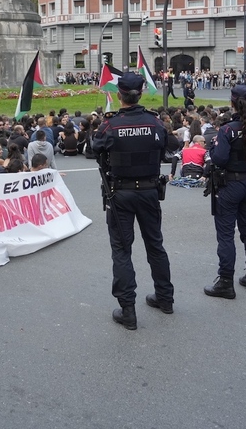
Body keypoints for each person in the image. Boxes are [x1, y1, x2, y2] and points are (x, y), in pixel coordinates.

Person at [91, 72, 173, 330]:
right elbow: (168, 146)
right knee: (155, 245)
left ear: (119, 95)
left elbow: (95, 148)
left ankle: (128, 310)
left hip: (121, 193)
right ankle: (165, 298)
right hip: (149, 191)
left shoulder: (110, 125)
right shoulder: (155, 122)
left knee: (122, 251)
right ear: (141, 93)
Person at [203, 84, 246, 299]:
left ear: (232, 101)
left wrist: (212, 146)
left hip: (230, 184)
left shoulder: (227, 129)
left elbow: (219, 158)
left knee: (226, 235)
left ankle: (226, 281)